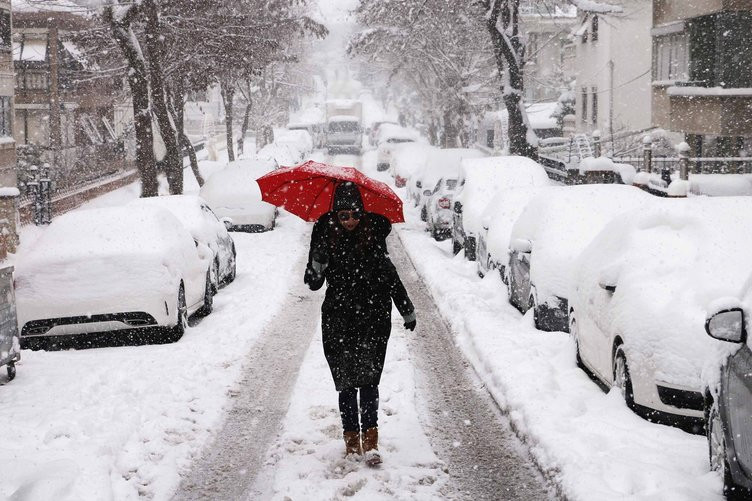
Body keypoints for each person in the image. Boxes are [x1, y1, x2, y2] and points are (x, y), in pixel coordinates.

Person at [304, 181, 416, 466]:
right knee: (345, 384)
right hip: (338, 320)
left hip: (372, 319)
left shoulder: (374, 236)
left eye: (355, 214)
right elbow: (314, 284)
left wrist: (407, 310)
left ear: (362, 213)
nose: (350, 220)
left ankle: (371, 441)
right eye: (344, 216)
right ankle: (351, 441)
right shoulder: (324, 237)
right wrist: (316, 265)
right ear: (336, 215)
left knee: (368, 382)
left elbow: (390, 277)